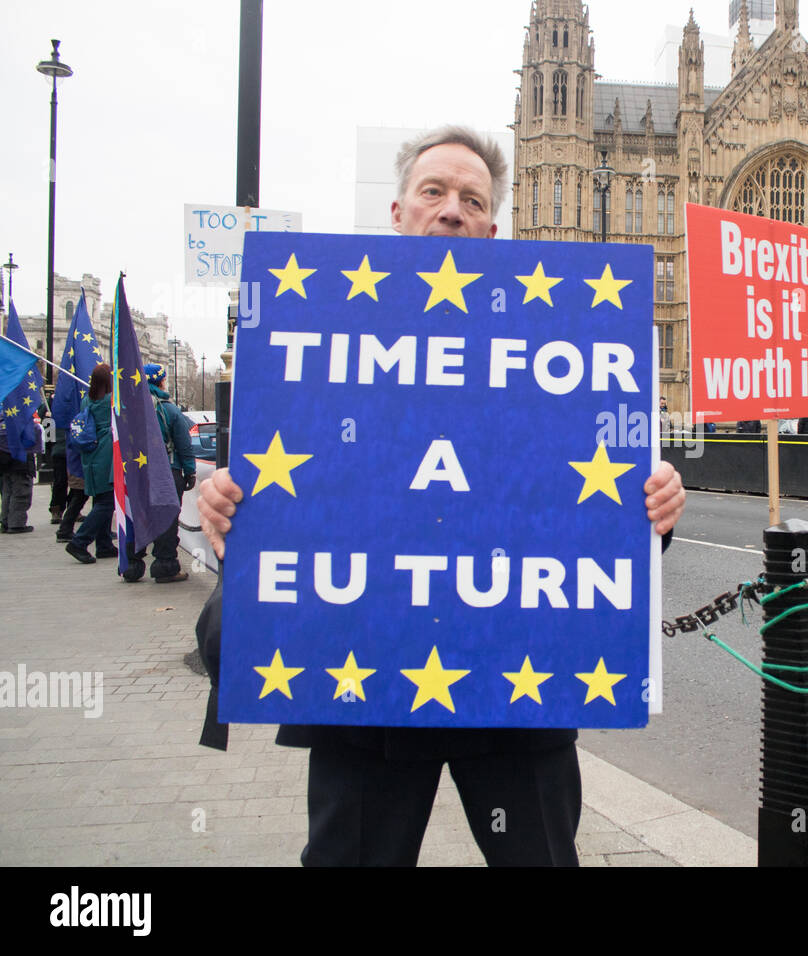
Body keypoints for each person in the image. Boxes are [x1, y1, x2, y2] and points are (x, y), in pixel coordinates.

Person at [196, 126, 687, 867]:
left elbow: (592, 507)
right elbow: (277, 498)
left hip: (515, 697)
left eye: (471, 199)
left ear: (493, 231)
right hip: (364, 696)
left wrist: (656, 503)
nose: (451, 210)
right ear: (398, 212)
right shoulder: (324, 331)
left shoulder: (559, 337)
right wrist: (228, 507)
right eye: (434, 192)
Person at [122, 364, 195, 583]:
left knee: (137, 517)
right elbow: (184, 444)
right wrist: (189, 472)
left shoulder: (130, 409)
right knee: (166, 520)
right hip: (166, 472)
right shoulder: (169, 410)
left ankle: (132, 565)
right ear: (161, 381)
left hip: (137, 472)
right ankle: (165, 565)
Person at [65, 364, 118, 563]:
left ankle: (103, 544)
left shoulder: (87, 400)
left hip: (91, 454)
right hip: (105, 454)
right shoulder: (110, 401)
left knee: (100, 498)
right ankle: (79, 541)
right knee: (107, 501)